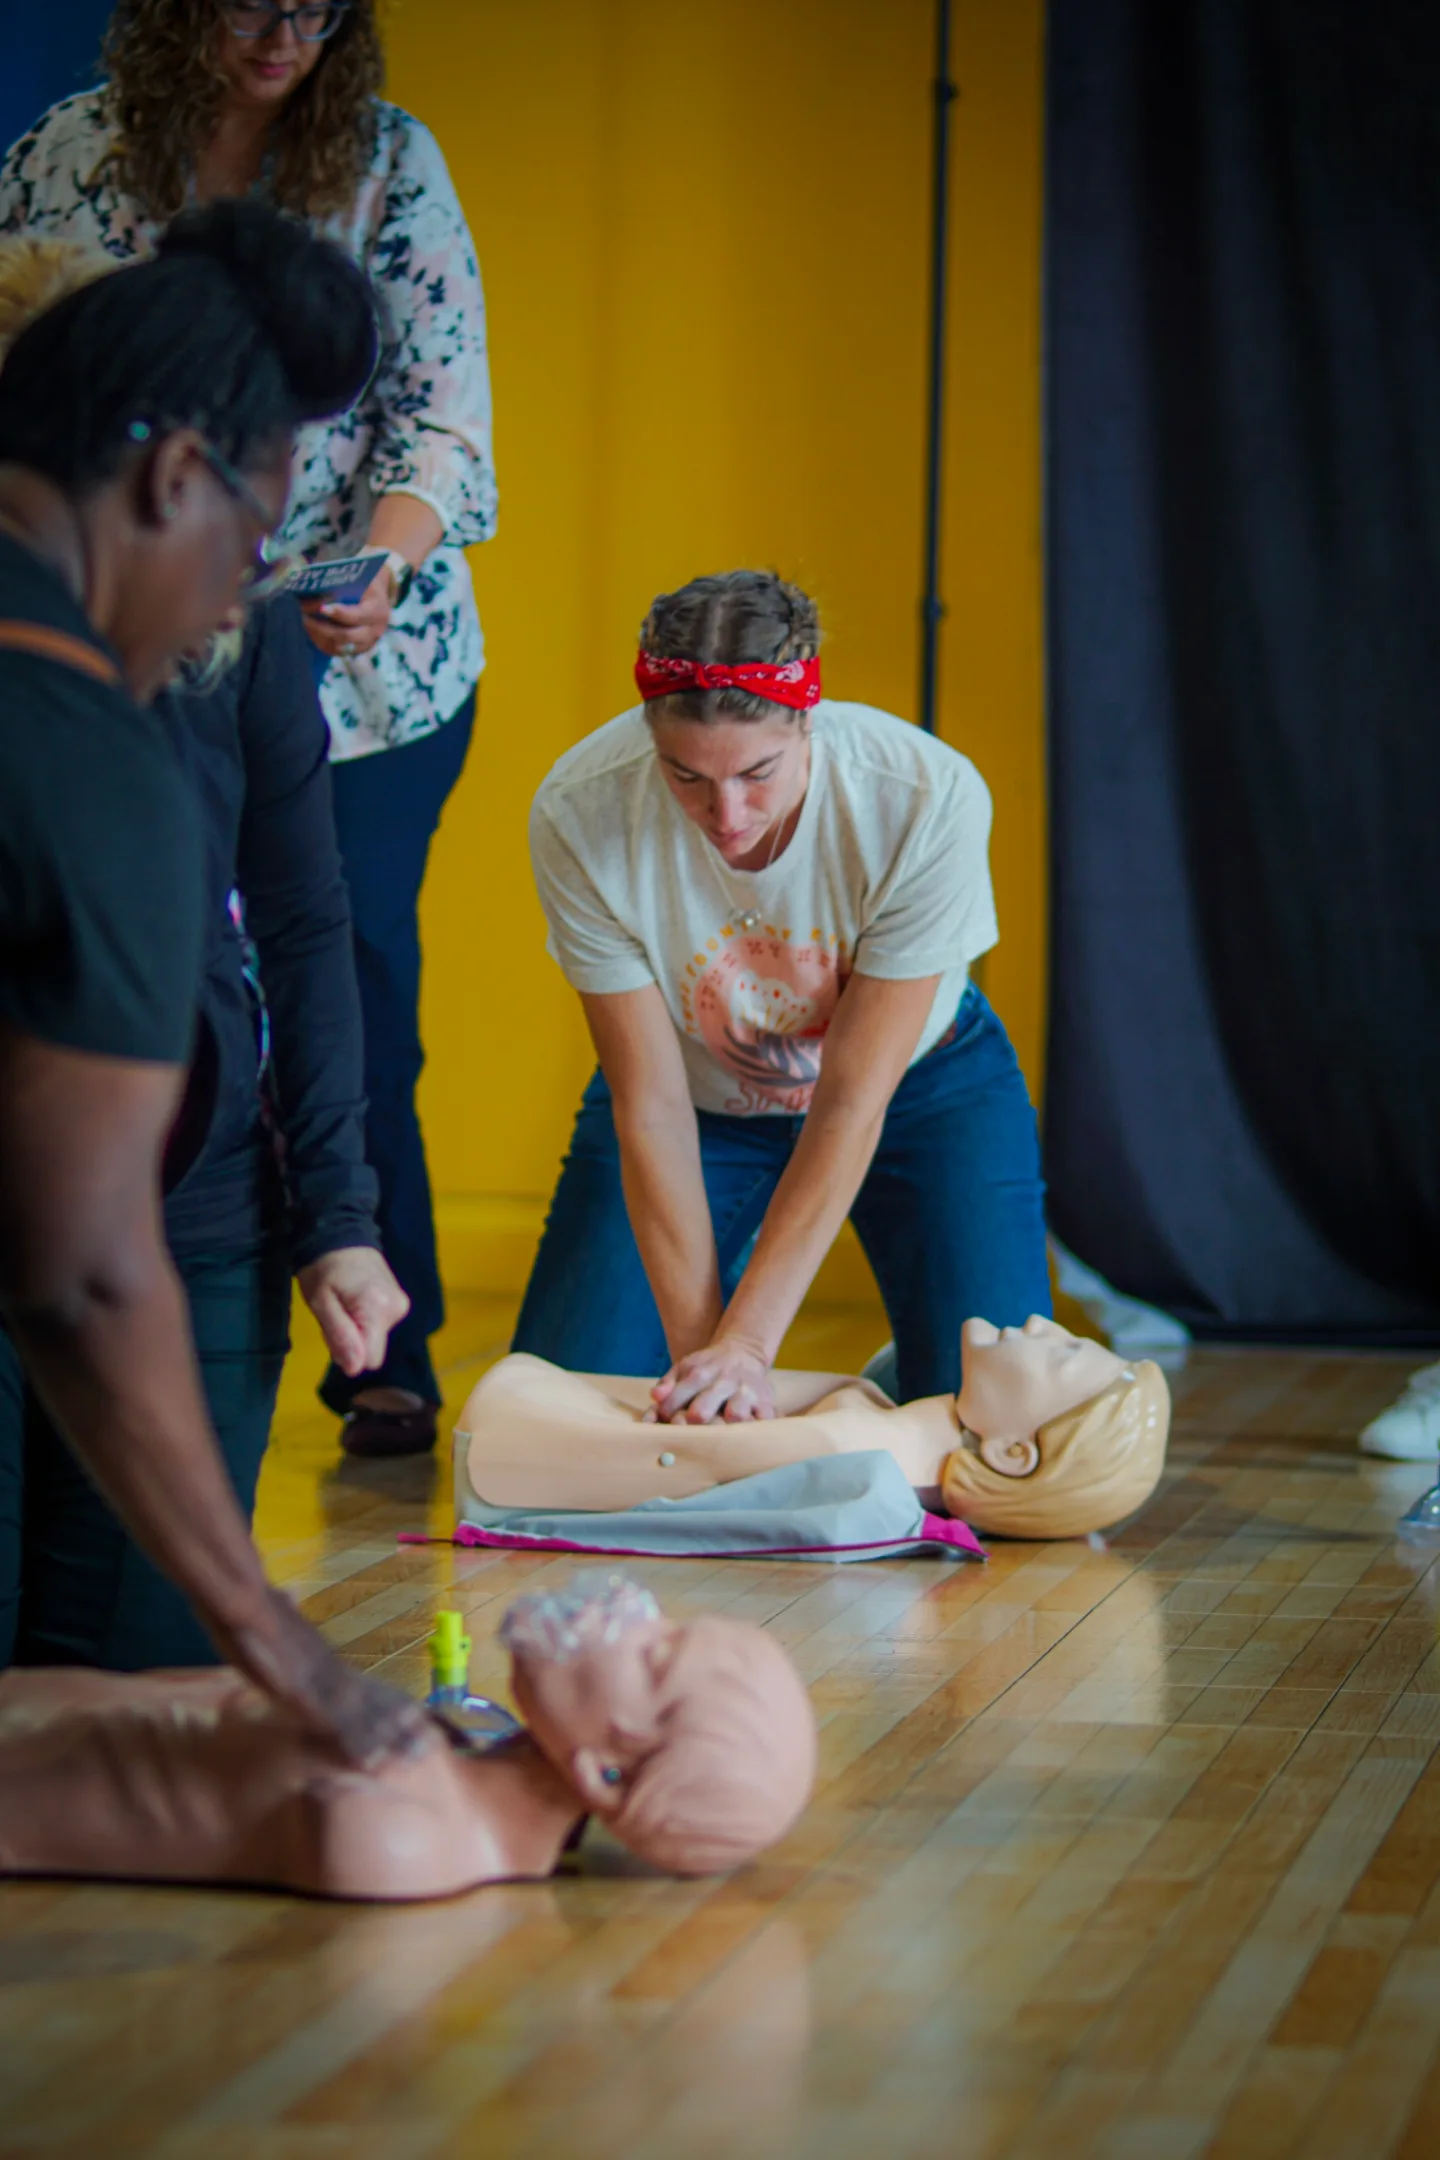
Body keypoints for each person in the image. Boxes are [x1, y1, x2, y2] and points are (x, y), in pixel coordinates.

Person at [1, 0, 498, 1460]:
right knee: (133, 950)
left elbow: (442, 417)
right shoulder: (65, 153)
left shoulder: (389, 162)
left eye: (316, 3)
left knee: (334, 958)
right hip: (117, 647)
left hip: (364, 674)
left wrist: (384, 561)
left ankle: (370, 1327)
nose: (284, 29)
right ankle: (119, 1263)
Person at [0, 192, 425, 1762]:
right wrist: (295, 1663)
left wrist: (335, 1210)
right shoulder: (85, 762)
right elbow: (83, 1270)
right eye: (248, 546)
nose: (233, 605)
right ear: (175, 478)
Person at [517, 570, 1053, 1423]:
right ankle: (909, 1366)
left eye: (758, 773)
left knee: (1002, 1423)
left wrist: (750, 1347)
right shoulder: (581, 810)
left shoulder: (923, 796)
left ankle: (915, 1363)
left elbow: (848, 1102)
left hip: (920, 1086)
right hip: (697, 1100)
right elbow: (649, 1106)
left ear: (808, 721)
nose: (726, 814)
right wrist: (707, 1368)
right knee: (560, 1410)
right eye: (685, 777)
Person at [0, 1576, 819, 1895]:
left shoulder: (414, 1835)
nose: (633, 1613)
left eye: (654, 1654)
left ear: (604, 1777)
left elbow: (345, 1830)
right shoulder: (442, 1761)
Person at [456, 1317, 1171, 1540]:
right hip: (539, 1405)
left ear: (1015, 1452)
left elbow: (679, 1453)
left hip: (512, 1431)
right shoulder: (877, 1420)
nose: (1046, 1324)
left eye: (1065, 1352)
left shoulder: (855, 1445)